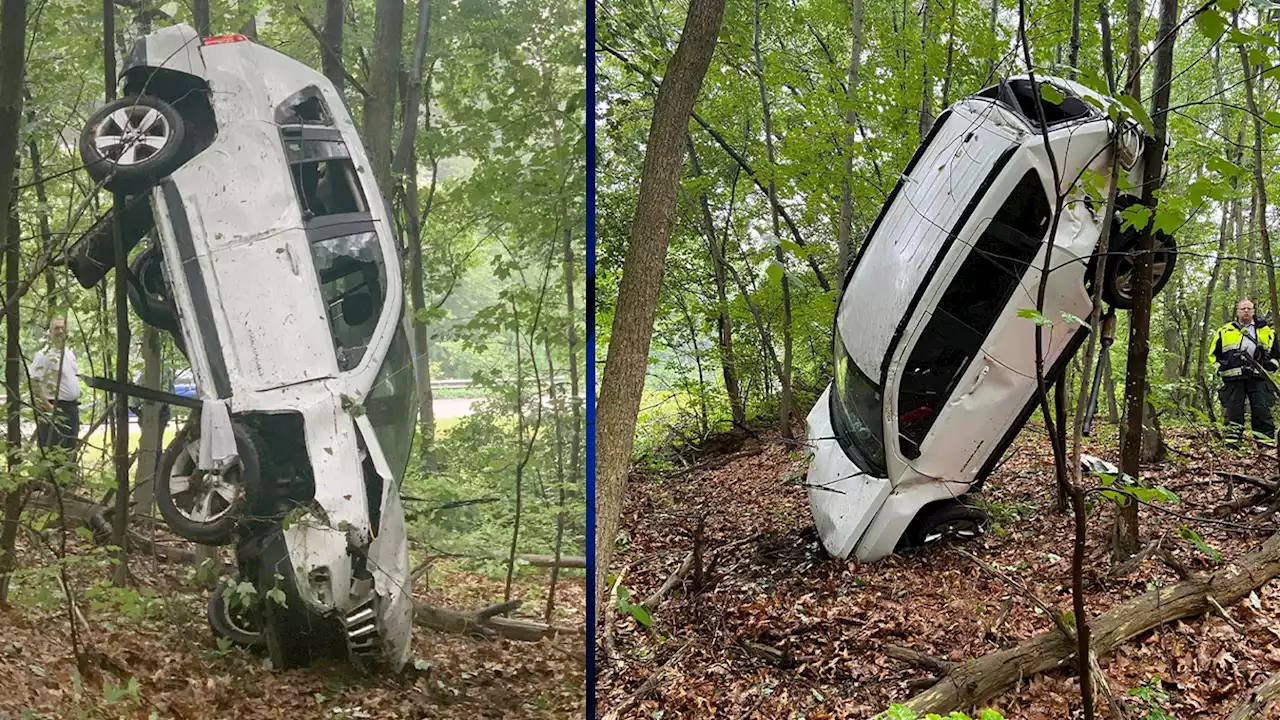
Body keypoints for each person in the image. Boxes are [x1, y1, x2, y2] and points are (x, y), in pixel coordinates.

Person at [1210, 298, 1280, 443]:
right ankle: (1232, 444)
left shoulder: (1267, 332)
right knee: (1233, 412)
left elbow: (1276, 355)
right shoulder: (1225, 331)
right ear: (1238, 311)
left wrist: (1270, 367)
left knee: (1262, 411)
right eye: (1243, 309)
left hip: (1259, 377)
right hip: (1233, 378)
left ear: (1253, 311)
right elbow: (1213, 355)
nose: (1246, 311)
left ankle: (1265, 444)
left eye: (1249, 309)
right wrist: (1220, 369)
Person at [29, 317, 81, 454]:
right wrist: (48, 407)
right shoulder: (45, 355)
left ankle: (70, 475)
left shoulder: (68, 353)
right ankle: (49, 476)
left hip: (72, 409)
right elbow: (34, 382)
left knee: (70, 449)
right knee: (53, 449)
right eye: (56, 328)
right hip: (55, 408)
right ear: (49, 332)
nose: (60, 331)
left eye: (62, 328)